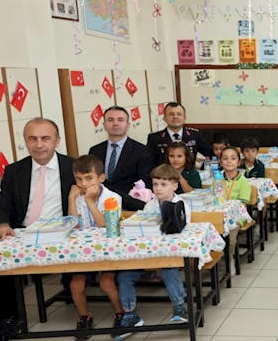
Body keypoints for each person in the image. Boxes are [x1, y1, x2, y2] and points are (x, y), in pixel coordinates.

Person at [0, 118, 76, 330]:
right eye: (32, 139)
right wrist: (1, 224)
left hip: (61, 233)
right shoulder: (14, 171)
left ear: (57, 141)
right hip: (23, 233)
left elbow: (104, 191)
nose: (39, 145)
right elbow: (2, 206)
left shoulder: (72, 167)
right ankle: (6, 321)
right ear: (25, 141)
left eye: (45, 138)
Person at [116, 165, 190, 340]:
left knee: (170, 271)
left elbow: (181, 234)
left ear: (174, 186)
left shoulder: (181, 206)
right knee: (124, 276)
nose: (158, 188)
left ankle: (179, 307)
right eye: (155, 184)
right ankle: (130, 314)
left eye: (163, 184)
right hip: (146, 256)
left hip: (168, 256)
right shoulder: (149, 206)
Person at [67, 155, 125, 338]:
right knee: (75, 285)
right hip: (85, 253)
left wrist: (90, 202)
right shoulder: (78, 197)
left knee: (106, 282)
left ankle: (121, 313)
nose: (83, 184)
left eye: (89, 178)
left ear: (101, 178)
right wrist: (71, 198)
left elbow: (105, 226)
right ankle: (84, 317)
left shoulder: (113, 198)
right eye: (78, 179)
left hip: (109, 252)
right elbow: (72, 225)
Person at [89, 106, 154, 211]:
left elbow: (145, 183)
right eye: (110, 120)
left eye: (120, 120)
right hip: (100, 205)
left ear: (128, 125)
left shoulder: (141, 150)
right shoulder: (95, 151)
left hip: (131, 206)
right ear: (104, 125)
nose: (115, 123)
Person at [146, 102, 214, 166]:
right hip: (164, 174)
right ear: (164, 118)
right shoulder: (154, 138)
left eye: (179, 114)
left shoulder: (195, 136)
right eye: (171, 114)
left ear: (184, 118)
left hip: (188, 173)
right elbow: (149, 163)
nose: (175, 117)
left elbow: (211, 155)